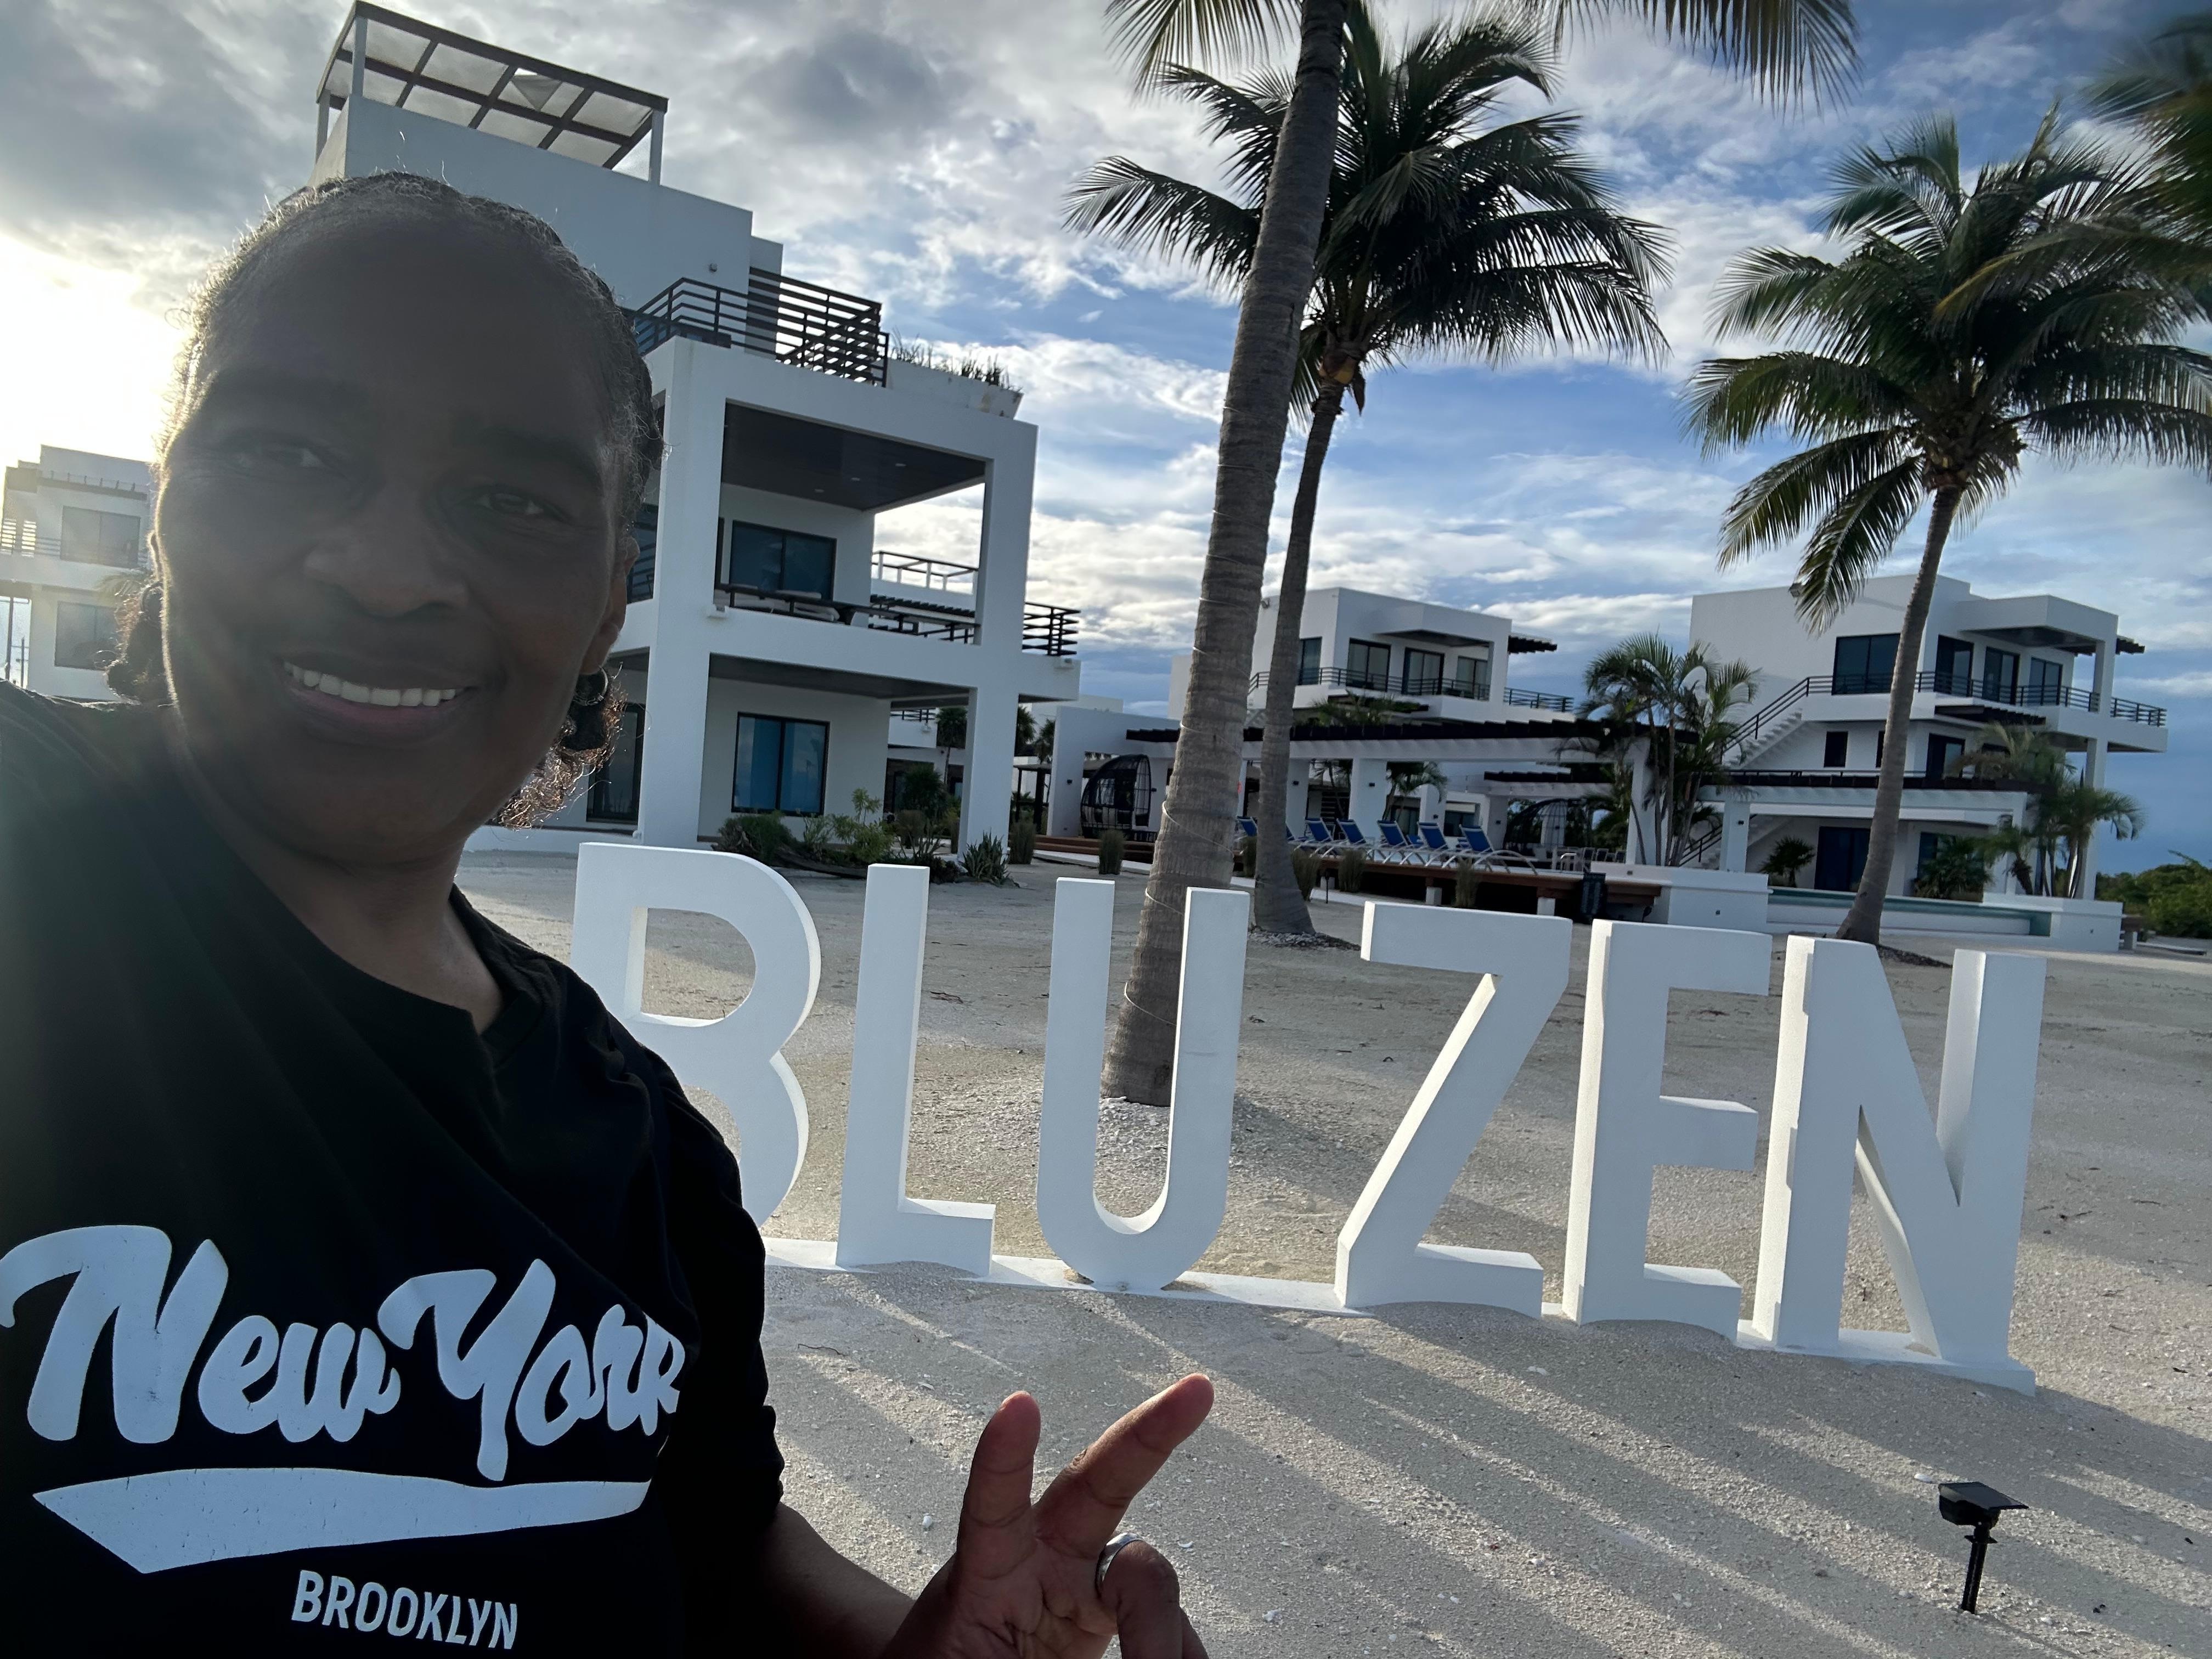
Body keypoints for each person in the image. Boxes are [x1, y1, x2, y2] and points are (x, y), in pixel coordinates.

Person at [0, 172, 1212, 1656]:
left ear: (604, 606)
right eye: (286, 452)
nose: (385, 571)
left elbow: (721, 1549)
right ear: (164, 509)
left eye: (512, 502)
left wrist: (921, 1643)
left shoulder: (652, 1156)